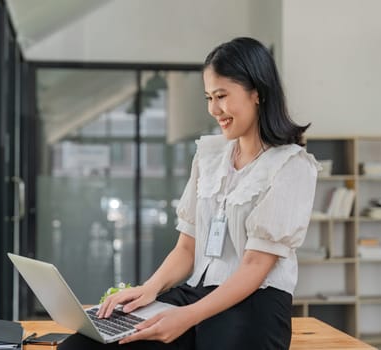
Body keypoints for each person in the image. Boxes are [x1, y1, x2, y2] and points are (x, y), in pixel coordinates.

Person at [74, 37, 319, 350]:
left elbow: (256, 266)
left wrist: (187, 317)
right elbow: (187, 248)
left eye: (221, 96)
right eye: (208, 97)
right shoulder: (209, 155)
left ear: (257, 92)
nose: (214, 109)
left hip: (255, 302)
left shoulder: (291, 165)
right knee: (86, 344)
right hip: (195, 293)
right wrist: (149, 289)